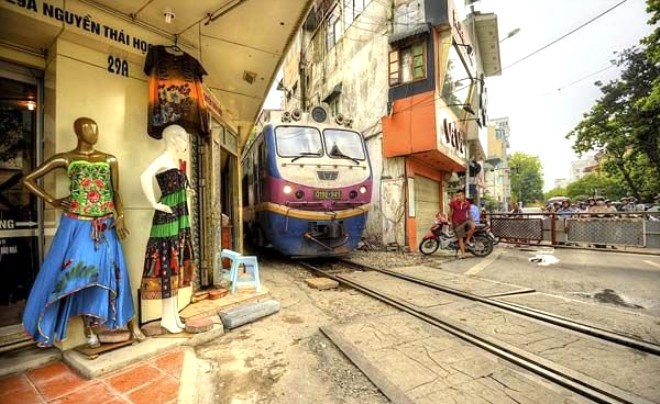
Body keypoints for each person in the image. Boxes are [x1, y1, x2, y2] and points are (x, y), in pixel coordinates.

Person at [21, 117, 144, 348]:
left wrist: (120, 216)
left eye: (95, 129)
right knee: (77, 273)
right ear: (78, 132)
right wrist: (53, 200)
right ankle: (88, 327)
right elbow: (28, 179)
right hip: (77, 224)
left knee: (115, 272)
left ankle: (131, 324)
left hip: (106, 225)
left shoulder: (109, 159)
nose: (94, 133)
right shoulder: (66, 158)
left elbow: (115, 192)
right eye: (88, 129)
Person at [140, 125, 195, 334]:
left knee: (175, 264)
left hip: (178, 217)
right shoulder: (163, 159)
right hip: (168, 218)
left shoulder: (173, 161)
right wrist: (154, 204)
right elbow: (144, 176)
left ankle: (172, 317)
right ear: (173, 138)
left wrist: (185, 192)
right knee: (167, 264)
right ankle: (167, 318)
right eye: (183, 138)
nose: (185, 143)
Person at [448, 190, 474, 259]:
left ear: (463, 195)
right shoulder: (453, 203)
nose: (458, 197)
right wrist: (450, 222)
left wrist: (472, 221)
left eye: (459, 196)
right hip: (457, 223)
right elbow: (450, 213)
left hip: (465, 221)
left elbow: (469, 213)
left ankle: (467, 240)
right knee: (460, 238)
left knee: (473, 226)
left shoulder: (467, 203)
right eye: (457, 196)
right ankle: (463, 254)